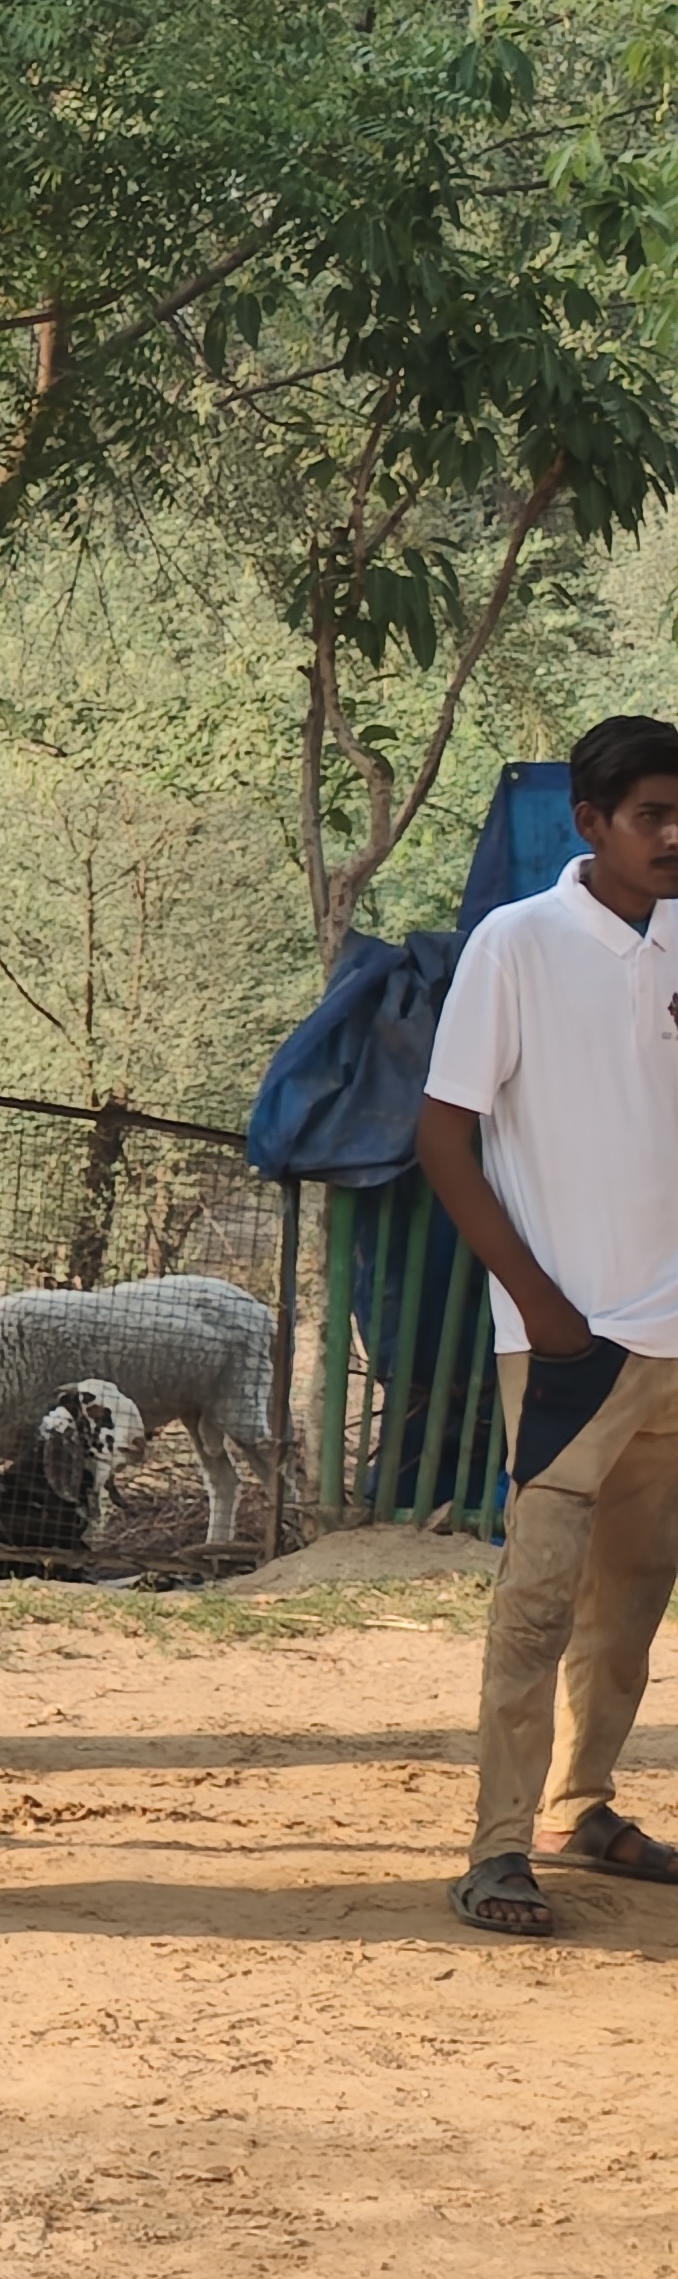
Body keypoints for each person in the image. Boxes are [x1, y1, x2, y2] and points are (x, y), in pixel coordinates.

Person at [417, 715, 678, 1936]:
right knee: (538, 1598)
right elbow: (443, 1137)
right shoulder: (513, 945)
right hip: (573, 1343)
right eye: (651, 817)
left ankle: (585, 1805)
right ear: (588, 823)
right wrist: (543, 1310)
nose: (674, 837)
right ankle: (496, 1849)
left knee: (631, 1599)